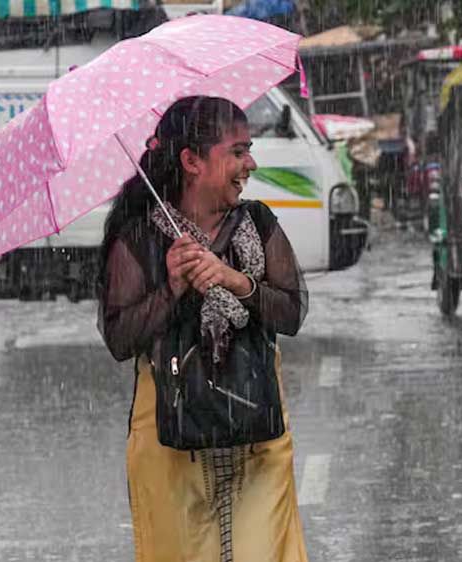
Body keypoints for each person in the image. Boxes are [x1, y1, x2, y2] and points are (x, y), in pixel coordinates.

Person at [97, 96, 309, 562]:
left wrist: (237, 282)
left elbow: (292, 312)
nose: (250, 164)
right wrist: (172, 288)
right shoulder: (139, 239)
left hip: (257, 434)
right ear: (192, 161)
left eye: (249, 150)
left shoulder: (258, 223)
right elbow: (120, 338)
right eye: (237, 151)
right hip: (170, 443)